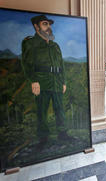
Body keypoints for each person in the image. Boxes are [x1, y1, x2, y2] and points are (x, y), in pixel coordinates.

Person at [21, 15, 70, 147]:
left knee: (60, 109)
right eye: (44, 24)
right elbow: (26, 63)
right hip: (42, 83)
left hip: (57, 82)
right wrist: (33, 80)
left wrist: (63, 81)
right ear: (36, 27)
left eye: (48, 24)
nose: (48, 27)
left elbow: (61, 65)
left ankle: (63, 134)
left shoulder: (55, 46)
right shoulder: (30, 43)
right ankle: (43, 138)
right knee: (42, 111)